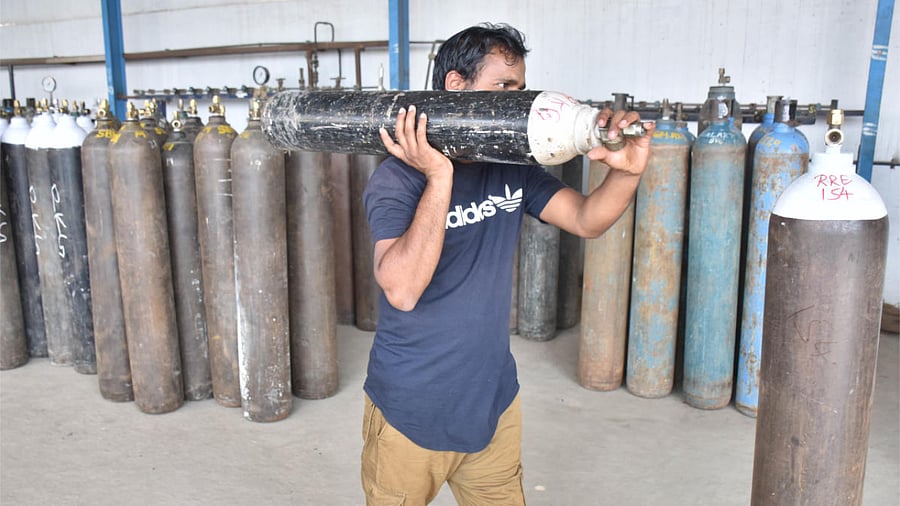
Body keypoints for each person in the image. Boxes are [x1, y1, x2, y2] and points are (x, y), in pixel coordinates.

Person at [361, 22, 653, 505]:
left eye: (520, 90)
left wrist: (626, 174)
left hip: (493, 404)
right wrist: (439, 175)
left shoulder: (510, 165)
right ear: (457, 86)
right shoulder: (396, 180)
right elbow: (402, 289)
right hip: (410, 411)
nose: (517, 103)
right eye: (503, 88)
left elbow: (585, 219)